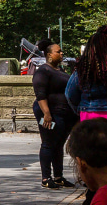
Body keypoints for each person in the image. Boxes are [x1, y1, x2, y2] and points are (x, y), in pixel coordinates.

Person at [32, 41, 76, 189]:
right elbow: (40, 94)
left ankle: (58, 177)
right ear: (49, 55)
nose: (62, 53)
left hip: (65, 114)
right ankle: (46, 178)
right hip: (49, 113)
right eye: (59, 51)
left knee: (59, 144)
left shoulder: (61, 71)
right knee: (48, 143)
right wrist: (47, 114)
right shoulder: (43, 71)